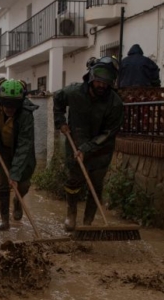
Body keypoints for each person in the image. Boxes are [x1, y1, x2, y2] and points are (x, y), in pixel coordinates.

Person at [53, 56, 124, 231]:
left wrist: (87, 149)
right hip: (75, 142)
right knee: (73, 181)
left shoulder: (115, 103)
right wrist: (60, 121)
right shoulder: (74, 92)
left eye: (105, 82)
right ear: (91, 77)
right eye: (98, 81)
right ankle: (71, 214)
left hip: (101, 150)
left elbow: (108, 133)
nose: (101, 85)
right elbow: (57, 100)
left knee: (96, 185)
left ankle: (88, 222)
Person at [0, 79, 38, 231]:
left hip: (21, 151)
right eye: (7, 104)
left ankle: (18, 200)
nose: (10, 108)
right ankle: (5, 220)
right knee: (3, 185)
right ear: (0, 100)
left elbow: (25, 145)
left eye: (14, 105)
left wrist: (16, 174)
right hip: (1, 149)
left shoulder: (26, 115)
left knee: (22, 184)